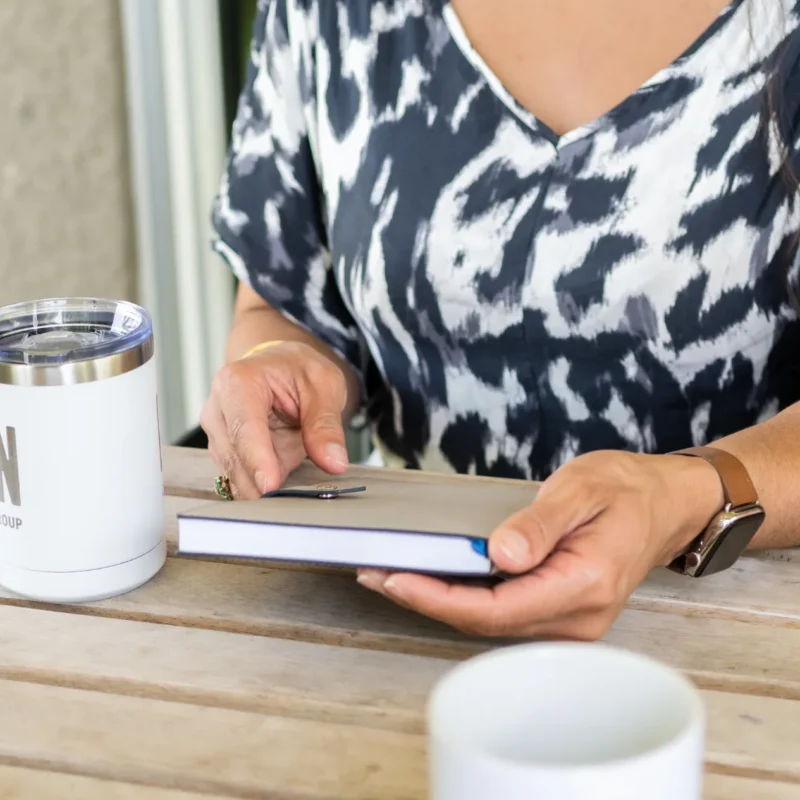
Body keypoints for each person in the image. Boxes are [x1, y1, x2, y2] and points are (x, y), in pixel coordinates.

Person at [201, 0, 800, 640]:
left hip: (738, 637)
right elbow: (282, 303)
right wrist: (279, 363)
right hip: (387, 624)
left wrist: (689, 498)